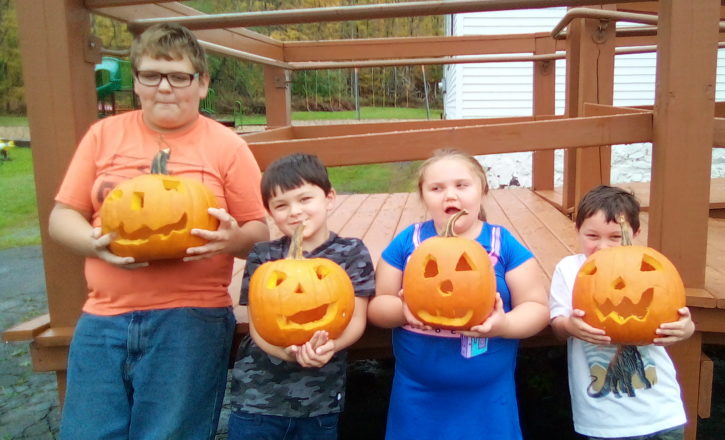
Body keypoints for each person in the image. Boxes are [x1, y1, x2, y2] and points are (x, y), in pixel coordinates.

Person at [49, 23, 268, 439]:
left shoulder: (226, 146)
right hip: (104, 316)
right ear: (136, 82)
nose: (164, 87)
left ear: (202, 84)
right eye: (151, 75)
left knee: (169, 434)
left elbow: (259, 230)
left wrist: (231, 239)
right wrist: (95, 245)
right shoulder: (103, 136)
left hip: (190, 318)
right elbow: (62, 217)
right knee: (87, 432)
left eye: (179, 76)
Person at [367, 148, 549, 440]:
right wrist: (402, 311)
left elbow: (537, 306)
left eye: (461, 185)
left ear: (483, 190)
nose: (449, 195)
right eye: (436, 188)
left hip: (488, 397)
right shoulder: (408, 242)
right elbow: (378, 306)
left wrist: (504, 326)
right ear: (423, 196)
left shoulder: (503, 244)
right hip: (418, 395)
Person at [227, 153, 375, 440]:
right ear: (269, 212)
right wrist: (286, 352)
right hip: (259, 400)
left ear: (329, 198)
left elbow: (356, 318)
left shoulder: (351, 252)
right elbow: (259, 325)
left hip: (321, 402)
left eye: (305, 199)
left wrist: (329, 348)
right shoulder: (263, 256)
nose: (294, 212)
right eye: (281, 205)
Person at [549, 185, 695, 440]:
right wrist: (570, 326)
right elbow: (558, 324)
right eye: (592, 236)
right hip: (604, 421)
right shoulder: (570, 270)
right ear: (578, 230)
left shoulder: (653, 267)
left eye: (615, 237)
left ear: (635, 233)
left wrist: (686, 329)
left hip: (662, 413)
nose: (602, 246)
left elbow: (681, 320)